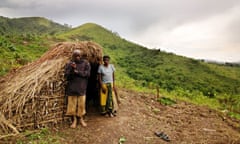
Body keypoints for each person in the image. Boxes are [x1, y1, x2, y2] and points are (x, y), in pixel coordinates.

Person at [64, 49, 91, 128]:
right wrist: (72, 70)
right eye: (75, 56)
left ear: (81, 56)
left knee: (81, 105)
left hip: (81, 88)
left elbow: (87, 74)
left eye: (78, 55)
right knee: (72, 106)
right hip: (72, 88)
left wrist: (77, 71)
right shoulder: (69, 64)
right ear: (73, 56)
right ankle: (74, 120)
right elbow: (67, 76)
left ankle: (81, 119)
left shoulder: (86, 63)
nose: (77, 57)